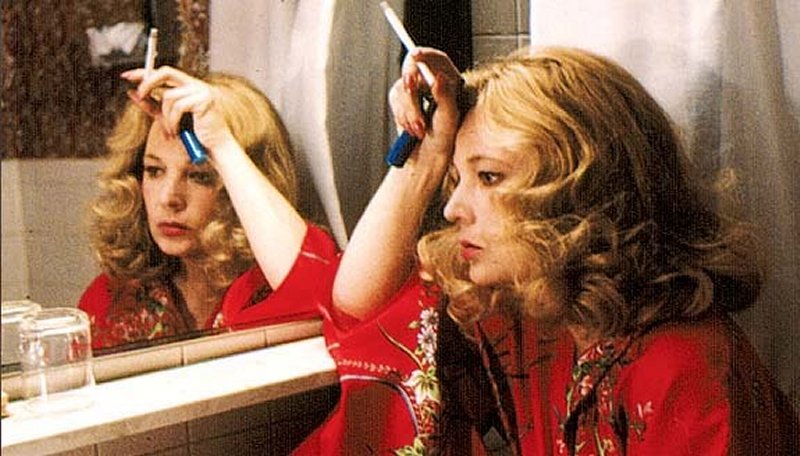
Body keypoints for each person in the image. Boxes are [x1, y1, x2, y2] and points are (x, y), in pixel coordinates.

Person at [303, 46, 799, 454]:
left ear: (581, 192)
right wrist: (426, 156)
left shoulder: (683, 366)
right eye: (457, 178)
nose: (453, 208)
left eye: (489, 176)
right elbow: (360, 304)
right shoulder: (537, 314)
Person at [78, 67, 339, 351]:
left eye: (199, 176)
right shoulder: (111, 298)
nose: (168, 198)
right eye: (154, 170)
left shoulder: (270, 289)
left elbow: (322, 298)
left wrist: (221, 144)